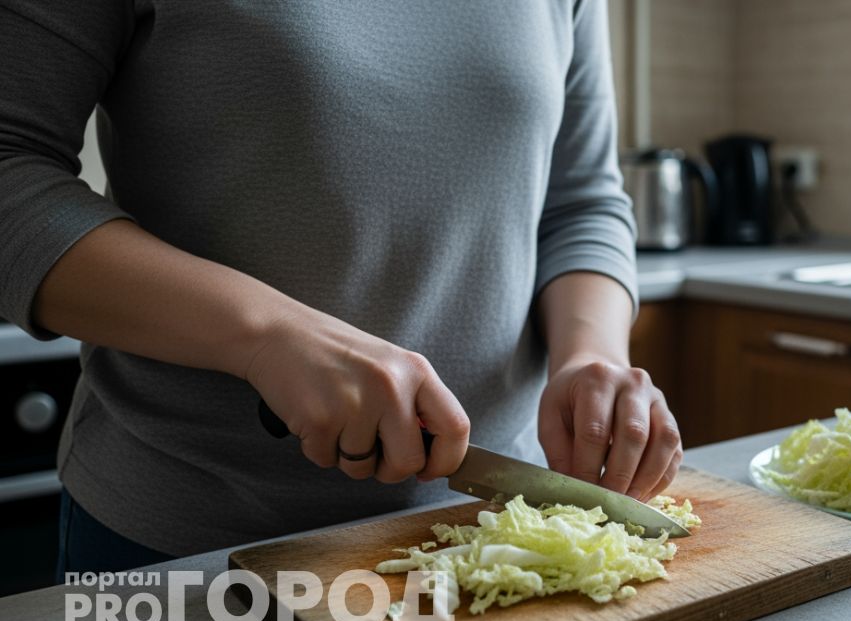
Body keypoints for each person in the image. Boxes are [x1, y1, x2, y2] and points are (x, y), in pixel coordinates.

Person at [0, 0, 682, 574]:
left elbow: (581, 200)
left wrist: (594, 358)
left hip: (498, 531)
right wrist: (264, 336)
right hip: (185, 545)